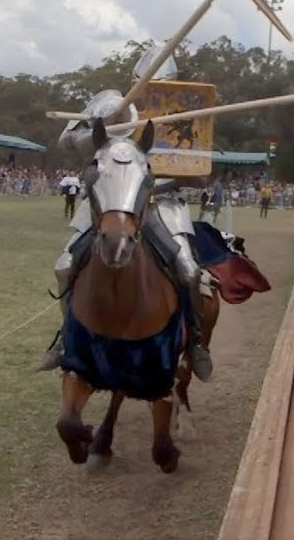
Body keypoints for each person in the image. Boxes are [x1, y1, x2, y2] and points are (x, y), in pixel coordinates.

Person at [35, 45, 218, 381]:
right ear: (136, 78)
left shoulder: (187, 108)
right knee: (64, 266)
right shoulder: (112, 102)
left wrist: (190, 168)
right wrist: (103, 124)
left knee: (189, 271)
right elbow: (67, 140)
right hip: (113, 200)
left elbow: (198, 170)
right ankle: (66, 338)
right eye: (147, 80)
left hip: (162, 203)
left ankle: (194, 343)